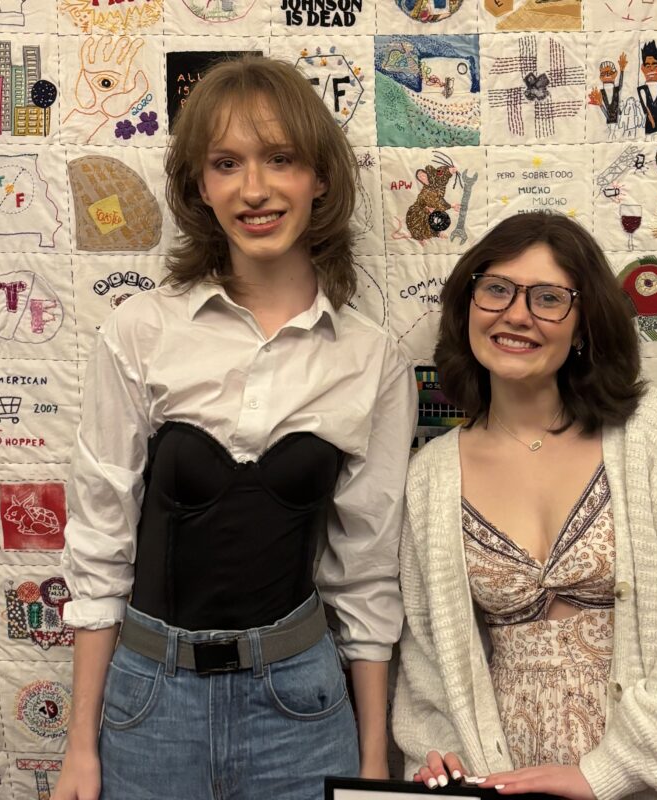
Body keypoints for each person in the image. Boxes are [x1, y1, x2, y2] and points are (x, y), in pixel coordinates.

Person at [54, 56, 415, 800]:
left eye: (281, 159)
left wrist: (374, 767)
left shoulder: (371, 359)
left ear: (319, 179)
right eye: (227, 163)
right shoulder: (138, 332)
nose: (255, 189)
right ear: (199, 187)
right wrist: (79, 750)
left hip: (303, 709)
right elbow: (99, 544)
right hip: (148, 705)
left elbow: (368, 572)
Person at [392, 212, 657, 799]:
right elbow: (429, 658)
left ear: (584, 326)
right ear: (467, 305)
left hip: (653, 780)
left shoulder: (650, 434)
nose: (515, 314)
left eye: (548, 298)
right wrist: (439, 758)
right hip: (505, 778)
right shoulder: (431, 476)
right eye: (496, 289)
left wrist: (609, 772)